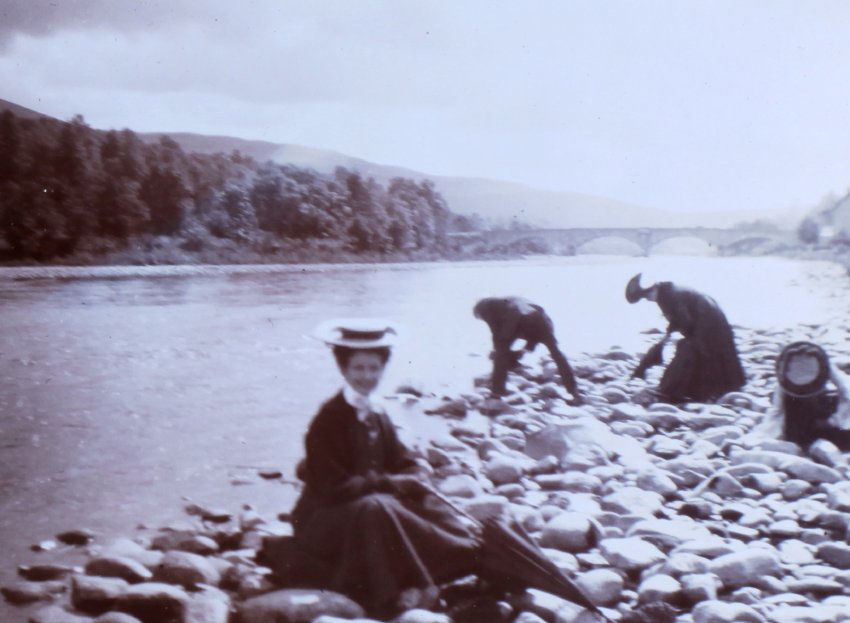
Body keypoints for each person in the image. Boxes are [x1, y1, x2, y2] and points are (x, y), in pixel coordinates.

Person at [265, 318, 605, 621]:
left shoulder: (377, 413)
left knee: (429, 508)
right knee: (377, 508)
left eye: (373, 368)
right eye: (358, 369)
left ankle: (470, 557)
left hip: (368, 502)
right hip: (325, 516)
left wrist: (414, 473)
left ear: (383, 368)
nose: (366, 376)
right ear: (343, 369)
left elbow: (401, 459)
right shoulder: (328, 420)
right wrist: (390, 483)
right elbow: (330, 487)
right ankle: (394, 593)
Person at [625, 274, 745, 404]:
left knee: (689, 348)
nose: (648, 300)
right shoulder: (668, 292)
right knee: (698, 349)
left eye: (647, 296)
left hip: (707, 320)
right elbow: (679, 318)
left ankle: (670, 390)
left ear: (654, 288)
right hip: (712, 317)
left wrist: (673, 338)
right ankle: (716, 388)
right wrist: (668, 334)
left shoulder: (668, 297)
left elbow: (686, 322)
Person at [473, 297, 584, 404]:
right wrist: (525, 349)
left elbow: (496, 332)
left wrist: (498, 351)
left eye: (481, 318)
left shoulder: (485, 307)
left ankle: (497, 393)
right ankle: (574, 392)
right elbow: (536, 315)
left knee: (500, 355)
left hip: (517, 320)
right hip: (542, 321)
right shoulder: (511, 300)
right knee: (557, 355)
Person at [761, 341, 850, 450]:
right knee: (798, 437)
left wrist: (833, 421)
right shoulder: (785, 378)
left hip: (823, 408)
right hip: (801, 411)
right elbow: (776, 411)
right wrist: (768, 436)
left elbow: (847, 394)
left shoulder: (826, 367)